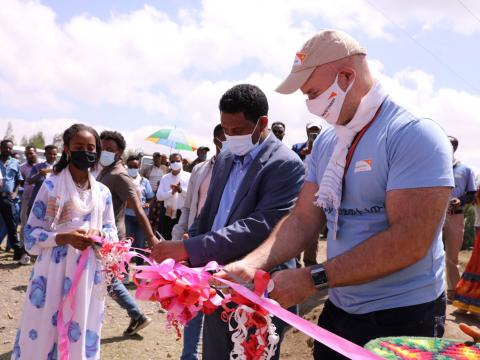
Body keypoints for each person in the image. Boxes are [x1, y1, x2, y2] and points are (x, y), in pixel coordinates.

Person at [222, 30, 454, 360]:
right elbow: (303, 218)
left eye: (313, 93)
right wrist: (250, 263)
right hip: (341, 307)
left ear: (346, 76)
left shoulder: (413, 135)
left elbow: (410, 240)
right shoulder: (329, 145)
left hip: (404, 314)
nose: (310, 105)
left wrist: (313, 277)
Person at [151, 84, 305, 360]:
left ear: (263, 123)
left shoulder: (286, 164)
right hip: (218, 284)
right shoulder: (224, 158)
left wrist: (191, 248)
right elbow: (208, 212)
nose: (231, 137)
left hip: (258, 291)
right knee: (215, 352)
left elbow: (260, 226)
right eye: (226, 130)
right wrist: (189, 243)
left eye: (238, 130)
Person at [13, 123, 118, 360]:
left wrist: (101, 236)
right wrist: (63, 237)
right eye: (79, 146)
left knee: (81, 325)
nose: (86, 151)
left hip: (88, 272)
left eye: (91, 147)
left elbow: (112, 231)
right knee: (44, 328)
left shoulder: (102, 193)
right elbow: (30, 235)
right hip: (52, 271)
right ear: (68, 150)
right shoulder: (51, 186)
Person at [96, 130, 158, 336]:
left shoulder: (119, 175)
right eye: (102, 148)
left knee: (108, 280)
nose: (104, 152)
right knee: (106, 279)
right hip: (98, 236)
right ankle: (135, 315)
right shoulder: (104, 171)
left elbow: (138, 207)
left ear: (119, 152)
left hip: (110, 239)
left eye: (109, 149)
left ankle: (137, 315)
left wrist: (151, 238)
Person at [172, 124, 225, 360]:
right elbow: (187, 206)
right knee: (192, 302)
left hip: (225, 244)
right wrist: (178, 238)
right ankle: (189, 355)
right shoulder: (201, 170)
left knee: (218, 304)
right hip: (194, 242)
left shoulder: (245, 171)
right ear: (216, 140)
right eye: (228, 136)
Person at [444, 136, 477, 302]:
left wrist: (460, 200)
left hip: (455, 216)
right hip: (434, 215)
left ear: (455, 148)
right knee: (425, 252)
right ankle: (426, 293)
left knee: (452, 257)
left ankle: (452, 293)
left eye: (451, 145)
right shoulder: (433, 166)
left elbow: (472, 193)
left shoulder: (466, 170)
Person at [125, 155, 154, 267]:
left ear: (139, 167)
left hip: (141, 217)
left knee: (140, 245)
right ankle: (125, 271)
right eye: (130, 166)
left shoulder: (144, 181)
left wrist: (148, 204)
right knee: (127, 245)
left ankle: (140, 271)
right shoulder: (123, 180)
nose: (133, 168)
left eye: (135, 166)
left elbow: (151, 197)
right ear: (127, 166)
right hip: (127, 216)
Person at [156, 153, 190, 240]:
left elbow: (191, 196)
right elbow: (159, 196)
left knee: (179, 240)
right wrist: (172, 192)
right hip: (167, 212)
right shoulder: (165, 178)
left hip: (181, 213)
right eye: (173, 161)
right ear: (170, 163)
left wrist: (180, 190)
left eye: (178, 161)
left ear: (182, 162)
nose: (175, 163)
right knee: (165, 238)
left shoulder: (188, 177)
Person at [0, 139, 24, 261]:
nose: (7, 150)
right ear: (1, 148)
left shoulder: (15, 163)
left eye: (10, 148)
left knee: (11, 225)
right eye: (5, 148)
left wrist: (15, 192)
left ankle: (17, 250)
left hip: (7, 198)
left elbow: (19, 179)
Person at [18, 145, 39, 265]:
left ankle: (37, 252)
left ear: (36, 153)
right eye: (27, 154)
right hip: (26, 199)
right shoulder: (23, 168)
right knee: (25, 224)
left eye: (31, 153)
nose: (29, 155)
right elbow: (20, 183)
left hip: (40, 201)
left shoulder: (43, 166)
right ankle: (24, 253)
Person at [140, 152, 169, 235]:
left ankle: (155, 233)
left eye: (158, 158)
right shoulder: (147, 169)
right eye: (155, 158)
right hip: (150, 195)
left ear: (161, 159)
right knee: (149, 214)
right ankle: (147, 233)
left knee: (158, 216)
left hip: (161, 195)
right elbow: (142, 179)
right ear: (153, 159)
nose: (157, 159)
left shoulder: (165, 169)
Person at [27, 144, 58, 212]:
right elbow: (29, 181)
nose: (52, 156)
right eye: (50, 154)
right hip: (38, 199)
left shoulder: (60, 168)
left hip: (53, 200)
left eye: (54, 154)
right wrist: (39, 174)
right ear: (45, 154)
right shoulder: (37, 167)